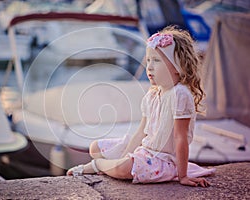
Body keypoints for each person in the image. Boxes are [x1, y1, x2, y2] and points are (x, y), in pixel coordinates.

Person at [66, 26, 215, 187]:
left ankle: (98, 165)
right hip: (145, 150)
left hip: (163, 160)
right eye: (148, 60)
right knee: (95, 148)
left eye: (157, 61)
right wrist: (122, 158)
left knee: (123, 169)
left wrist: (183, 176)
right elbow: (140, 132)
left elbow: (181, 138)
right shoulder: (152, 95)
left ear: (177, 67)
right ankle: (112, 165)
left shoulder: (179, 94)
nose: (149, 67)